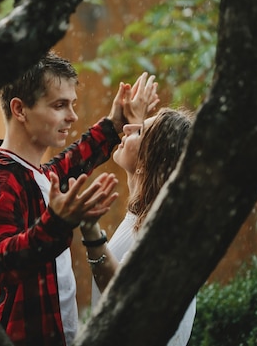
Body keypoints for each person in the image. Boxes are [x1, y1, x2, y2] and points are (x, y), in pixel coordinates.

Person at [0, 51, 159, 346]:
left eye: (72, 104)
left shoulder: (34, 174)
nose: (72, 115)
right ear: (20, 110)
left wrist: (115, 123)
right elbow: (0, 264)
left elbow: (71, 162)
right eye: (60, 105)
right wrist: (55, 225)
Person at [80, 107, 196, 346]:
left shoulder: (164, 233)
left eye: (140, 130)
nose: (126, 129)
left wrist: (91, 232)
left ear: (147, 162)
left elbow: (121, 291)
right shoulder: (148, 218)